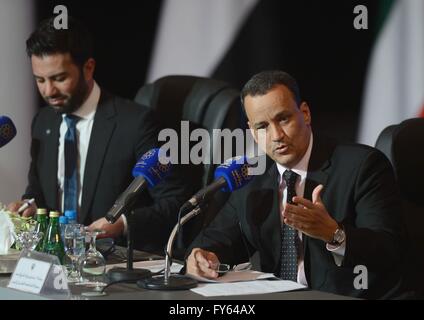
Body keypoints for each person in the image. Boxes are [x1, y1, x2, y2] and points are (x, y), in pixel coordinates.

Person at [186, 70, 403, 299]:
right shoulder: (251, 177)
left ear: (306, 113)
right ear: (252, 131)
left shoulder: (362, 166)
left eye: (283, 119)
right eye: (263, 127)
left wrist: (334, 234)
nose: (276, 135)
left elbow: (390, 251)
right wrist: (202, 256)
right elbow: (217, 239)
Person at [8, 17, 192, 253]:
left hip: (114, 263)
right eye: (40, 80)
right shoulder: (43, 121)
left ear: (88, 68)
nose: (48, 91)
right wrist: (29, 206)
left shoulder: (135, 123)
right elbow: (38, 192)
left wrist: (122, 224)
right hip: (56, 262)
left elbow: (175, 203)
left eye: (59, 78)